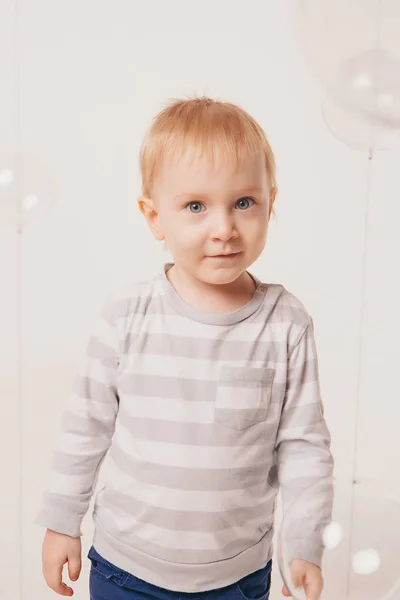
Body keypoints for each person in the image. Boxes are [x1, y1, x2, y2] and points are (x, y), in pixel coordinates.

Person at [35, 95, 334, 600]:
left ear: (270, 202)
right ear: (155, 218)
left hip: (236, 575)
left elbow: (304, 445)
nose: (224, 229)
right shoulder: (128, 317)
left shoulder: (286, 324)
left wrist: (303, 542)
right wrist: (63, 518)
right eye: (196, 206)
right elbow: (85, 427)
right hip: (125, 566)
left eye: (244, 202)